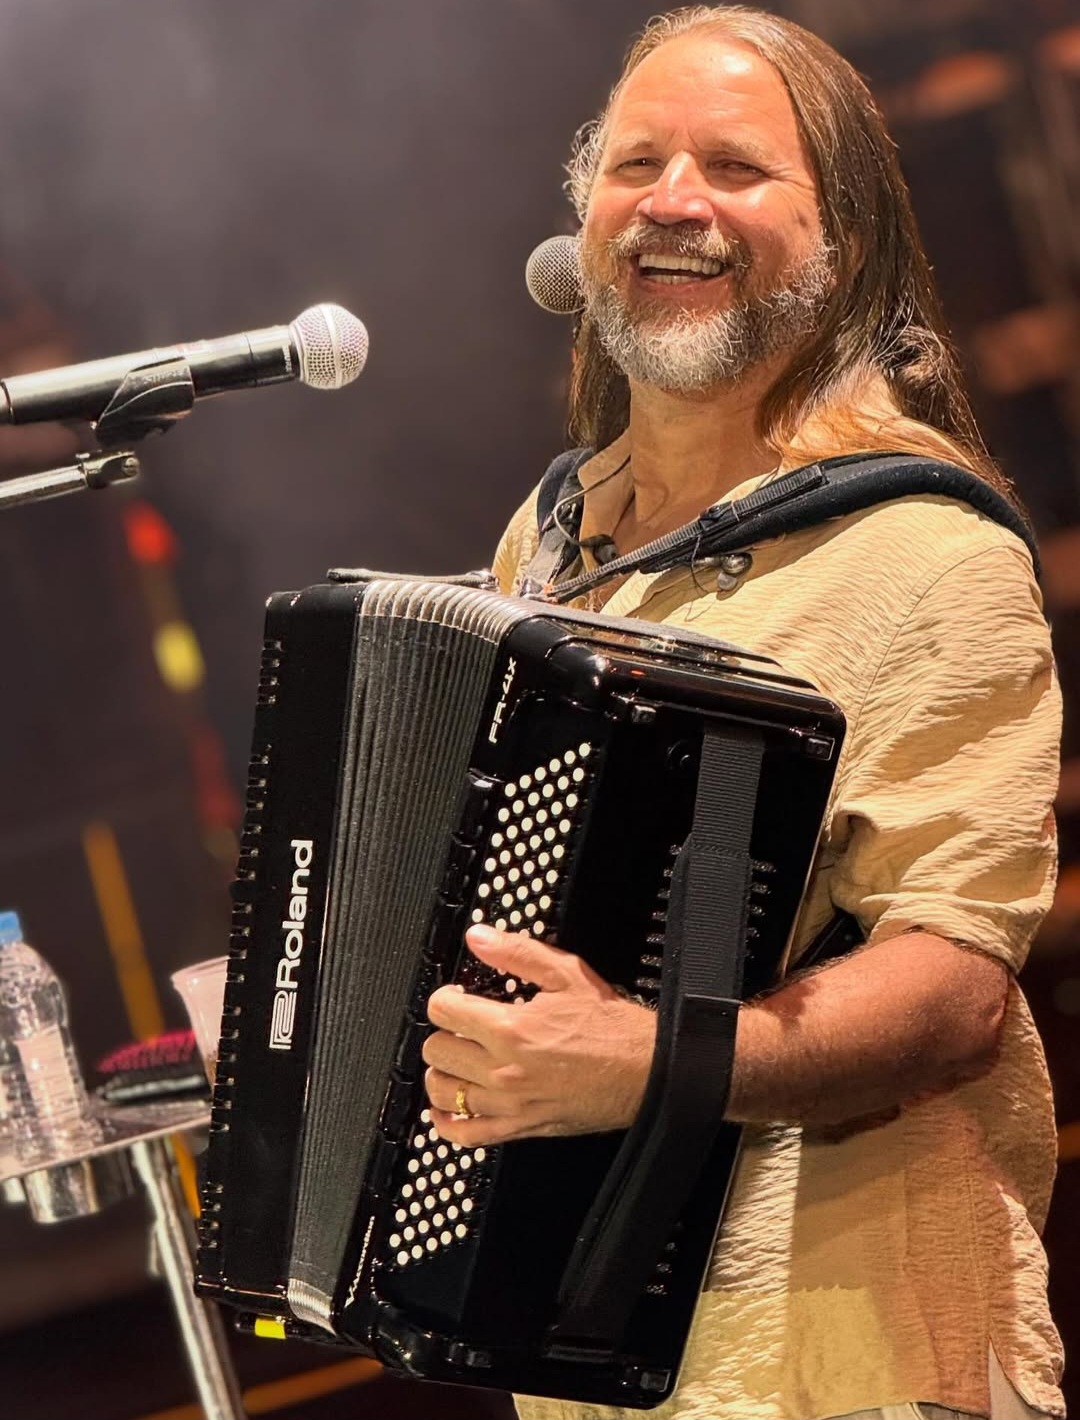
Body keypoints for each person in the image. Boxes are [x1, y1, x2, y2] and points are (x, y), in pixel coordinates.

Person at [422, 7, 1065, 1419]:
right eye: (636, 163)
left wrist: (649, 1062)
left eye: (735, 167)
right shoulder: (549, 537)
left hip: (854, 1359)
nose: (674, 200)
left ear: (844, 240)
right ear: (583, 226)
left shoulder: (929, 552)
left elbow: (954, 986)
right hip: (589, 1359)